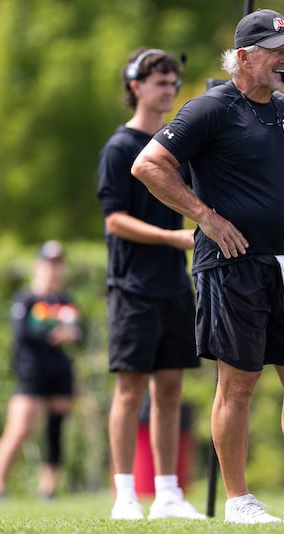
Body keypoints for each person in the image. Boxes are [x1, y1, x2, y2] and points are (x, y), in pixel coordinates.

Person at [131, 9, 284, 524]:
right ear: (244, 57)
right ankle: (239, 500)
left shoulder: (283, 109)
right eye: (276, 49)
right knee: (238, 382)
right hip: (232, 265)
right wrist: (205, 218)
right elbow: (147, 165)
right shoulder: (211, 108)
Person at [97, 48, 204, 520]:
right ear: (135, 86)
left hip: (173, 286)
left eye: (173, 82)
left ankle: (167, 493)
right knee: (130, 390)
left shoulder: (175, 147)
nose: (169, 90)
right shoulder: (120, 148)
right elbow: (114, 220)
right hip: (132, 287)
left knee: (170, 390)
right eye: (160, 82)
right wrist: (172, 237)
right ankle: (125, 494)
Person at [0, 240, 82, 500]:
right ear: (39, 266)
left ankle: (48, 489)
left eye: (58, 264)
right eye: (49, 264)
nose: (54, 270)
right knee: (19, 430)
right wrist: (54, 334)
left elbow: (79, 333)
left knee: (55, 430)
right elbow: (21, 333)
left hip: (60, 371)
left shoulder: (66, 300)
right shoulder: (26, 299)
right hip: (31, 372)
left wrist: (71, 336)